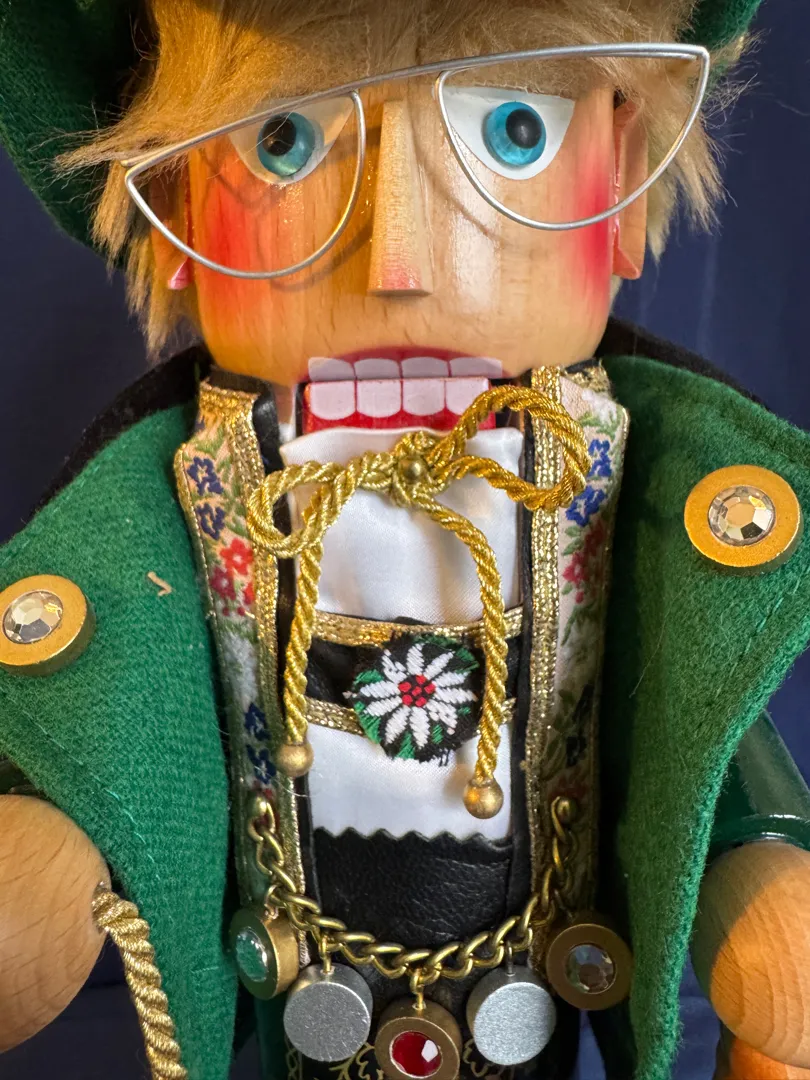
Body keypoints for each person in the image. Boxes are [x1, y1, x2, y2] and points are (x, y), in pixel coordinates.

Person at [2, 2, 810, 1079]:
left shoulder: (655, 490)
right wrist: (53, 841)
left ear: (619, 174)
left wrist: (758, 864)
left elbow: (699, 721)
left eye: (514, 129)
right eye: (284, 140)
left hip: (536, 997)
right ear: (175, 199)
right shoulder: (176, 498)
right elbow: (116, 709)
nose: (402, 261)